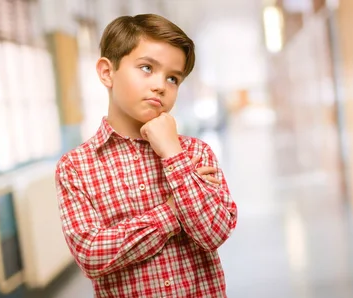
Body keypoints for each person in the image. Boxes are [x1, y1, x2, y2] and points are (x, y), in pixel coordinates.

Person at [54, 14, 238, 298]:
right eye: (146, 68)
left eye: (173, 78)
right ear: (107, 72)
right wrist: (172, 212)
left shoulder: (195, 153)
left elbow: (214, 232)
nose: (160, 85)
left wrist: (173, 155)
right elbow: (92, 256)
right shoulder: (76, 167)